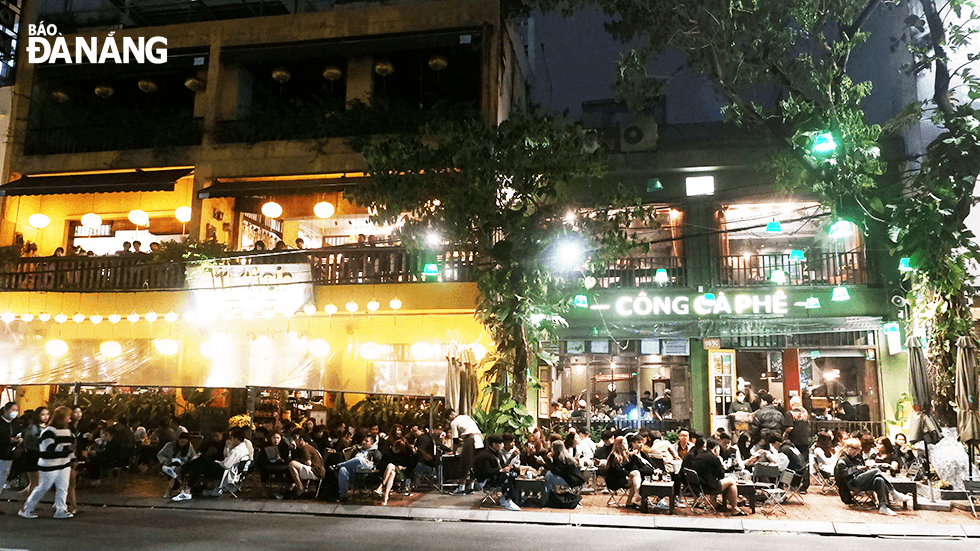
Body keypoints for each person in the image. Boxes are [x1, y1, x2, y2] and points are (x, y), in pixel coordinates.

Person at [19, 406, 75, 519]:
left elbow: (70, 446)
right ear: (62, 418)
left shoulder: (67, 431)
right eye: (68, 417)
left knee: (63, 487)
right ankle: (27, 508)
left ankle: (61, 510)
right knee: (43, 487)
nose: (69, 419)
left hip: (63, 463)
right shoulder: (49, 430)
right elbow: (48, 446)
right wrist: (66, 449)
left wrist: (72, 458)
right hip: (49, 464)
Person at [834, 437, 912, 515]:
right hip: (851, 484)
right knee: (876, 471)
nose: (855, 451)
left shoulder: (858, 458)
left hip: (860, 481)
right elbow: (842, 475)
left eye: (857, 449)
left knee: (879, 480)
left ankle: (883, 506)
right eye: (852, 448)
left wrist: (865, 469)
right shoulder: (842, 460)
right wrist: (855, 468)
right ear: (846, 448)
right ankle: (893, 492)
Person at [689, 439, 747, 515]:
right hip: (708, 487)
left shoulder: (700, 455)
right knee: (732, 481)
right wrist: (722, 464)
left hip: (697, 485)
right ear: (716, 449)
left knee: (719, 480)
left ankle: (714, 503)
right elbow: (721, 476)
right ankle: (735, 508)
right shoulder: (714, 458)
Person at [472, 435, 521, 511]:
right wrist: (500, 471)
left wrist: (508, 468)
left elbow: (502, 465)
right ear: (494, 444)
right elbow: (486, 471)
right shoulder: (485, 456)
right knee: (505, 477)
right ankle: (505, 499)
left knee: (513, 474)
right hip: (485, 480)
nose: (502, 446)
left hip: (494, 476)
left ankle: (514, 498)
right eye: (500, 444)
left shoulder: (497, 453)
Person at [335, 433, 382, 502]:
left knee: (359, 459)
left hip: (366, 473)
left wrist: (371, 463)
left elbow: (379, 464)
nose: (363, 442)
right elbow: (350, 462)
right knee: (343, 470)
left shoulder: (375, 452)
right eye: (363, 440)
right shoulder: (357, 451)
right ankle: (343, 496)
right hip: (355, 473)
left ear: (371, 444)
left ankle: (338, 465)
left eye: (366, 441)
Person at [446, 409, 483, 493]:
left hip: (470, 440)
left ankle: (461, 488)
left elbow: (455, 440)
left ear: (450, 416)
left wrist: (453, 451)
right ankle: (471, 486)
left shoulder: (454, 422)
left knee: (465, 463)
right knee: (475, 464)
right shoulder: (466, 417)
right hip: (479, 440)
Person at [158, 431, 197, 498]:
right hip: (170, 464)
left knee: (176, 471)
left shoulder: (189, 447)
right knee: (175, 468)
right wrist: (166, 460)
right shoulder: (169, 445)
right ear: (178, 440)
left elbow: (193, 457)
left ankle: (170, 490)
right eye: (182, 442)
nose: (183, 444)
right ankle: (180, 486)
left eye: (185, 442)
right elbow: (160, 455)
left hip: (182, 466)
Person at [0, 402, 22, 499]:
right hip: (1, 454)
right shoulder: (1, 423)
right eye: (12, 410)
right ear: (5, 410)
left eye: (16, 410)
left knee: (2, 480)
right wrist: (11, 440)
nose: (14, 412)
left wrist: (17, 440)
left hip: (8, 455)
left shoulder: (14, 423)